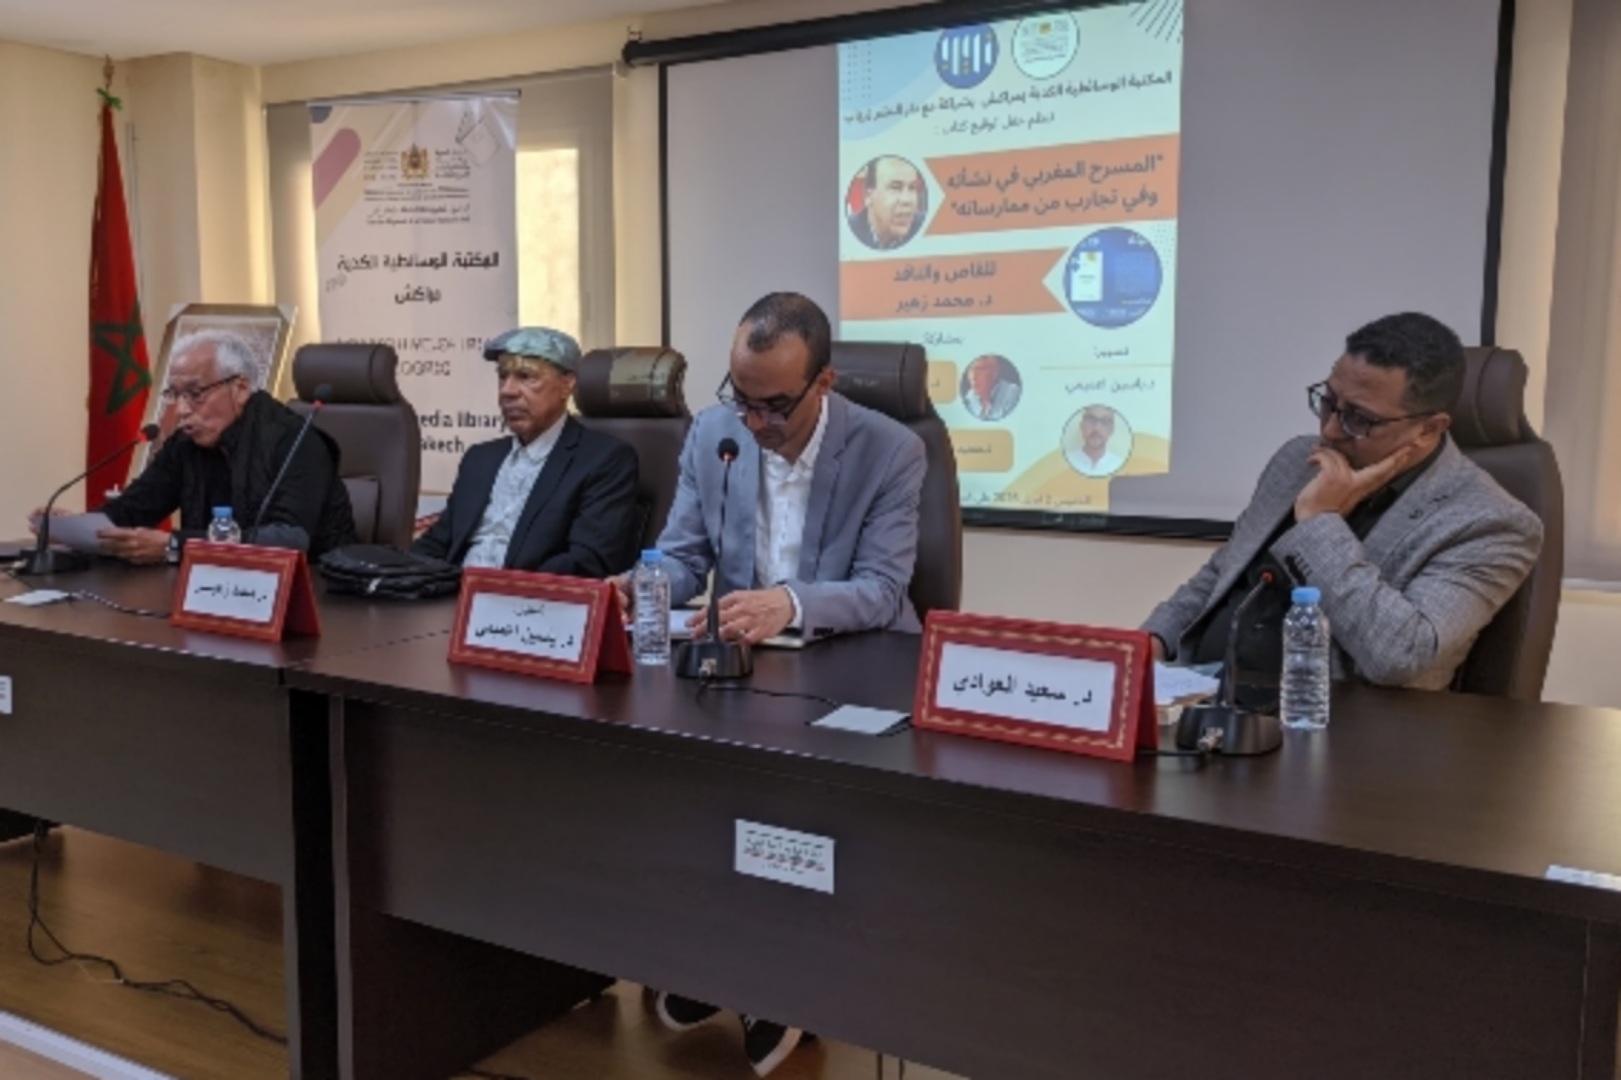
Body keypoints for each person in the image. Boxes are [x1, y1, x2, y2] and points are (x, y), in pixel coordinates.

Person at [616, 291, 925, 1075]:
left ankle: (779, 985)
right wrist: (643, 582)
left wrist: (788, 603)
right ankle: (728, 963)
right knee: (676, 778)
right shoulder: (713, 433)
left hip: (857, 670)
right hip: (742, 668)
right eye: (740, 398)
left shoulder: (891, 449)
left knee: (791, 801)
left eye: (774, 406)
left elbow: (882, 591)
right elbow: (684, 554)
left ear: (823, 383)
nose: (753, 421)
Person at [1143, 312, 1543, 692]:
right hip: (1199, 696)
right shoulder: (1297, 461)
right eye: (1329, 402)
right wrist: (1151, 642)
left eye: (1360, 419)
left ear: (1428, 429)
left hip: (1328, 722)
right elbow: (1223, 573)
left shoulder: (1491, 523)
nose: (1331, 430)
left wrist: (1319, 522)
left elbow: (1401, 658)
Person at [82, 330, 356, 564]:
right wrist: (77, 530)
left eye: (195, 394)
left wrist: (176, 546)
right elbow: (135, 508)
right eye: (175, 394)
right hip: (215, 587)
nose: (181, 410)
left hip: (316, 594)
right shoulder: (186, 443)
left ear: (240, 388)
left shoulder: (295, 441)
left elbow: (287, 540)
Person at [413, 327, 639, 576]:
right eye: (503, 377)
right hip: (452, 590)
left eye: (526, 377)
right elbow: (438, 542)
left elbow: (586, 561)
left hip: (526, 596)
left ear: (567, 385)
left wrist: (501, 588)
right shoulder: (479, 458)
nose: (507, 391)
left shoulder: (604, 460)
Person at [847, 156, 926, 250]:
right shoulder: (847, 232)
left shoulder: (924, 227)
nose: (906, 200)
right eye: (895, 188)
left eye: (913, 188)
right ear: (868, 196)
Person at [1065, 405, 1126, 477]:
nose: (1096, 428)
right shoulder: (1066, 462)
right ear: (1081, 426)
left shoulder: (1119, 465)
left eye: (1105, 422)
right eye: (1091, 420)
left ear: (1111, 430)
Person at [961, 354, 1021, 421]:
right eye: (970, 371)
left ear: (995, 373)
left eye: (979, 370)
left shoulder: (1012, 393)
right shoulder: (969, 397)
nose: (973, 377)